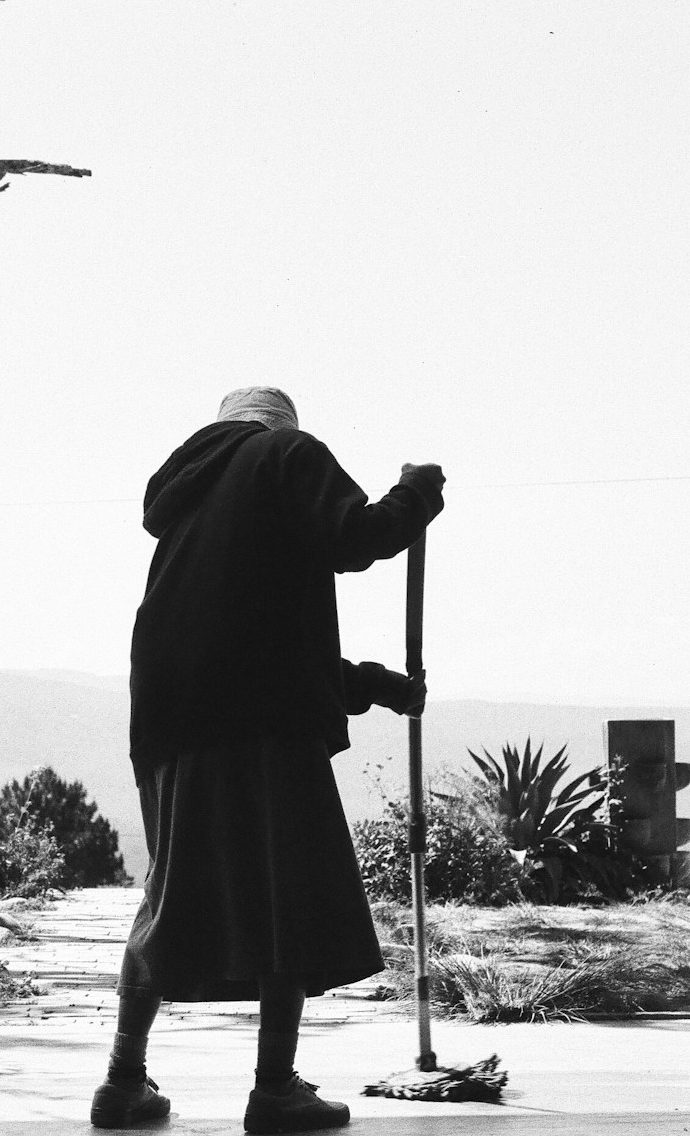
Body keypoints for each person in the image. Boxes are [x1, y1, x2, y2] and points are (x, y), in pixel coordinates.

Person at [90, 386, 445, 1134]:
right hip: (260, 725)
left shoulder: (189, 501)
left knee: (169, 894)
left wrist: (376, 685)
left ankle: (123, 1082)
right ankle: (275, 1088)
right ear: (280, 424)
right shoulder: (285, 453)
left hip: (167, 722)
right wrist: (416, 493)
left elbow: (259, 637)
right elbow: (358, 535)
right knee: (291, 892)